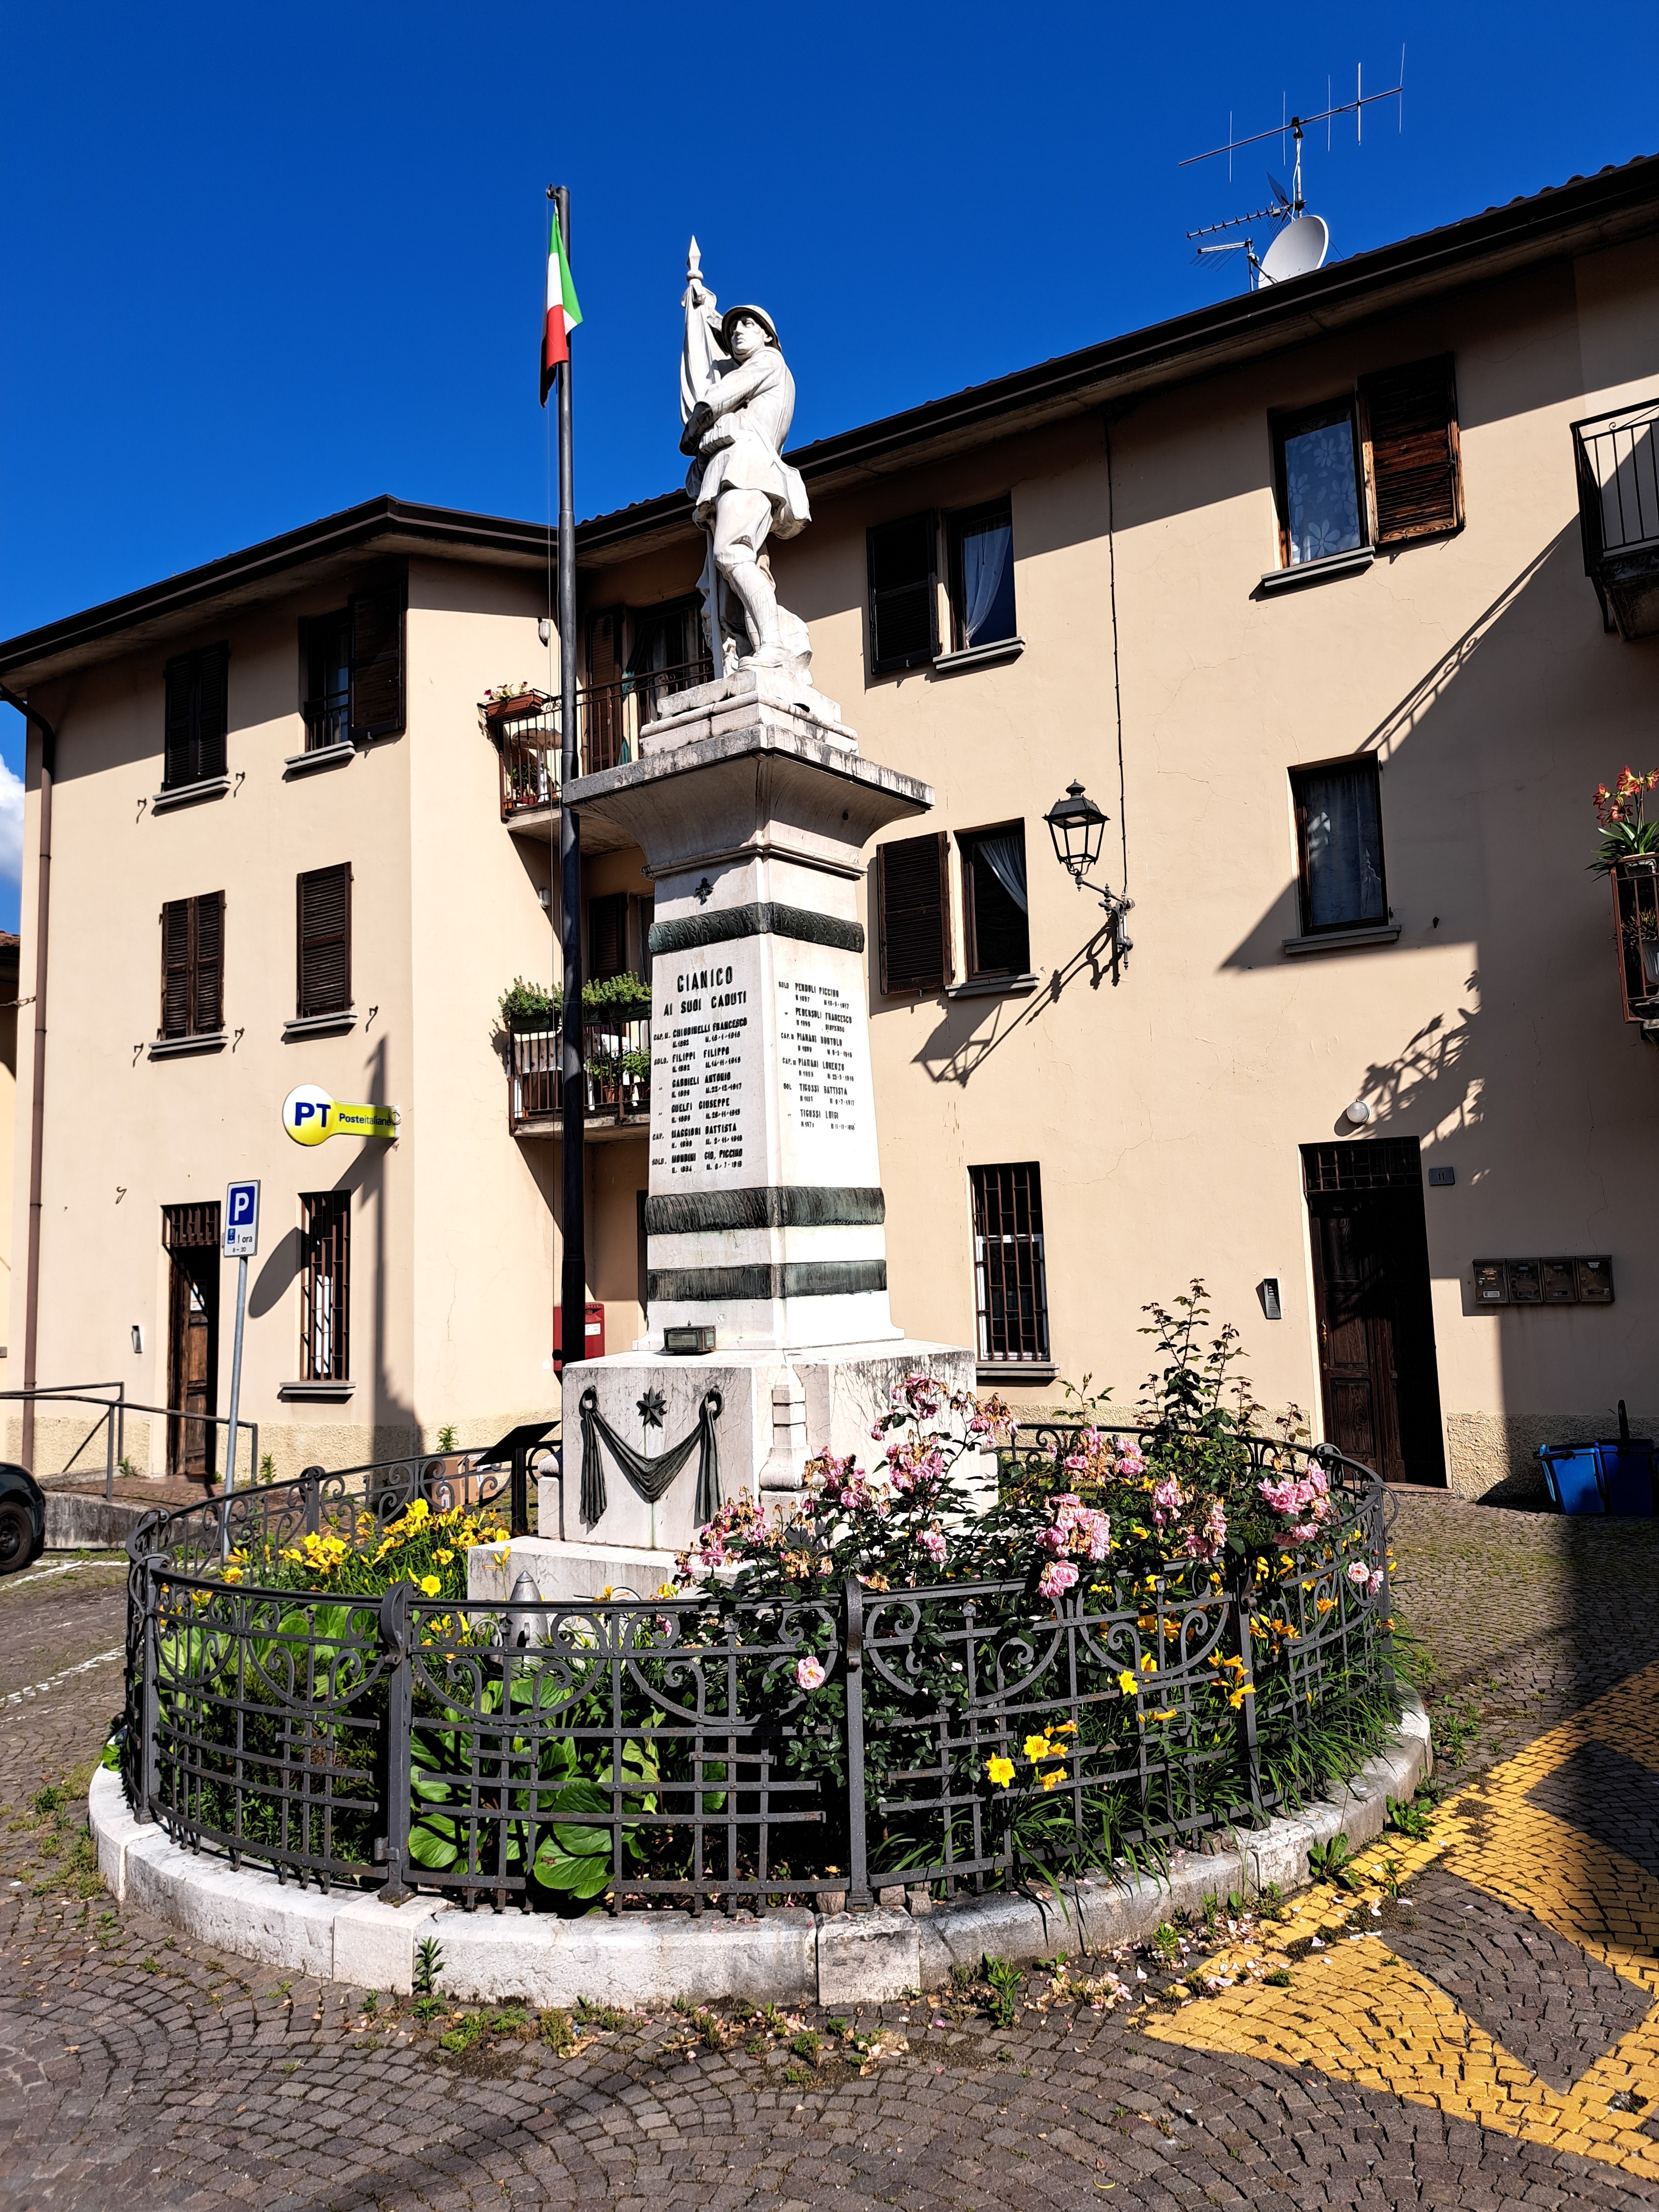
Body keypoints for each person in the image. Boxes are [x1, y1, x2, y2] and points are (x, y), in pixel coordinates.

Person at [680, 300, 811, 673]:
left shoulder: (768, 362)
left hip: (747, 468)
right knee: (735, 575)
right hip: (737, 471)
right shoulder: (760, 376)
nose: (737, 331)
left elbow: (721, 395)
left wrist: (699, 419)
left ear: (768, 335)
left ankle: (775, 644)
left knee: (731, 554)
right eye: (731, 327)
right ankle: (764, 643)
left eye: (747, 325)